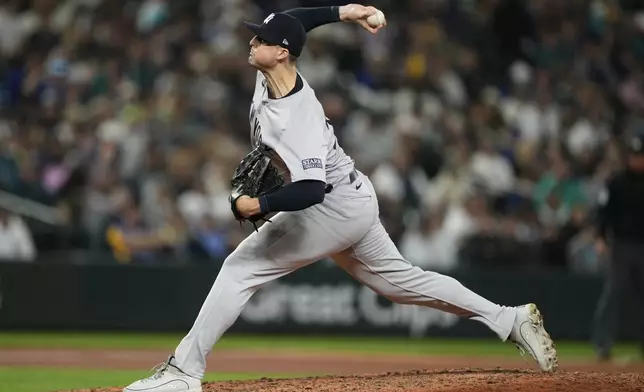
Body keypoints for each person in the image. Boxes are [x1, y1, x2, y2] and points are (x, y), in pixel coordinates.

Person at [123, 5, 558, 392]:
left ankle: (184, 371)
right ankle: (509, 318)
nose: (252, 41)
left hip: (330, 206)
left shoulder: (298, 117)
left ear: (281, 53)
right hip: (355, 197)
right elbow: (296, 20)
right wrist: (347, 11)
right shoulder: (272, 69)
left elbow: (311, 189)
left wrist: (257, 206)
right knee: (401, 282)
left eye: (261, 39)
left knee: (241, 267)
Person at [592, 133, 644, 362]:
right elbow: (603, 213)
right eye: (635, 155)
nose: (637, 159)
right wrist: (601, 237)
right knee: (612, 295)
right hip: (622, 245)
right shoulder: (616, 182)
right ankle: (603, 344)